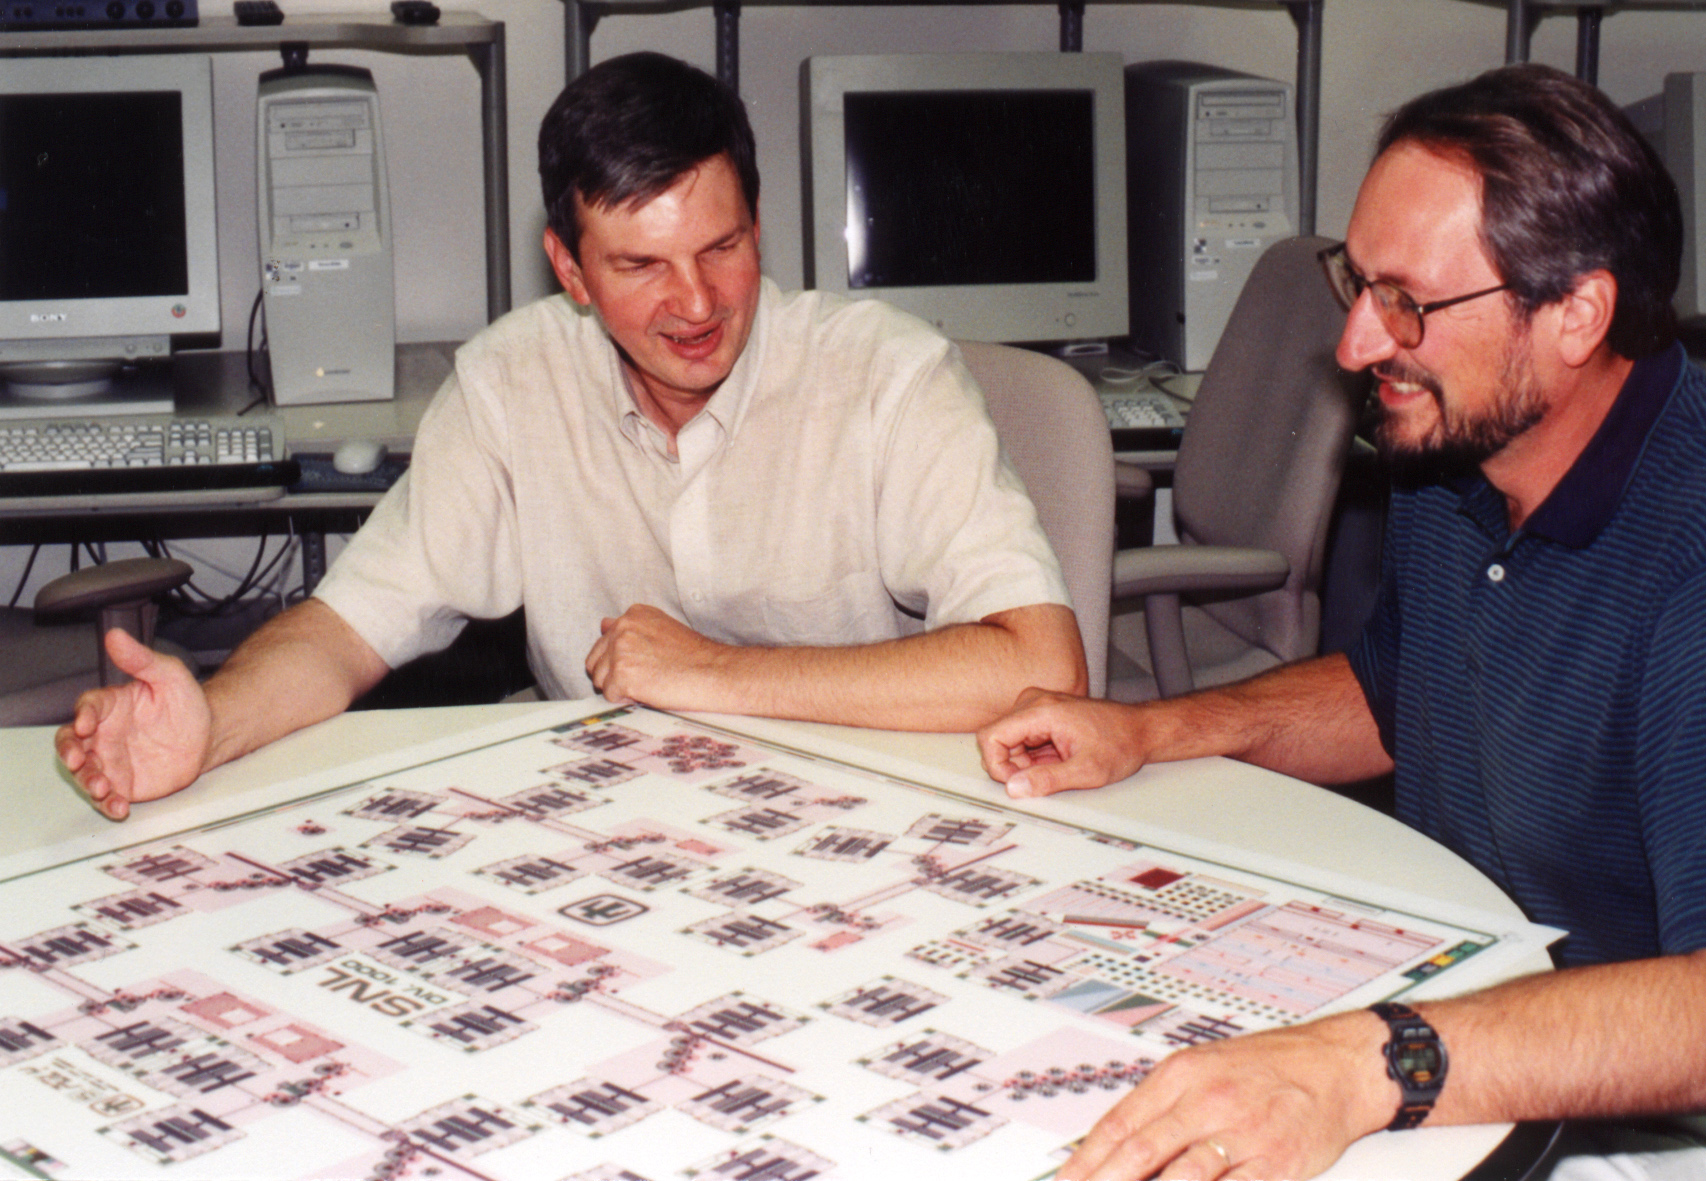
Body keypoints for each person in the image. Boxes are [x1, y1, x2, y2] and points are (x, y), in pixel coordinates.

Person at [977, 64, 1706, 1181]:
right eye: (1355, 285)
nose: (1357, 345)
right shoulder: (1454, 448)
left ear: (1575, 314)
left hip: (1640, 1120)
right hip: (1467, 1032)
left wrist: (1366, 1067)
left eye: (1407, 300)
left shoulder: (1688, 544)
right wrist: (1149, 729)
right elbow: (1390, 693)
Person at [58, 51, 1085, 821]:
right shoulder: (510, 381)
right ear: (569, 266)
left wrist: (711, 674)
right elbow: (347, 631)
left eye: (720, 246)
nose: (696, 303)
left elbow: (1037, 664)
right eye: (640, 266)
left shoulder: (888, 374)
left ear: (758, 222)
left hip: (866, 808)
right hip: (609, 826)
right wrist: (215, 721)